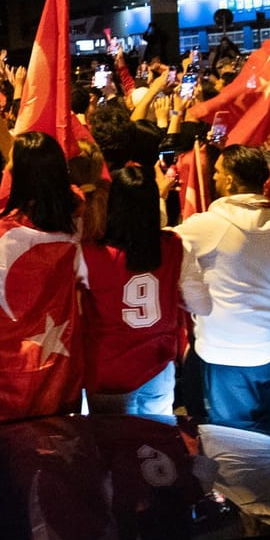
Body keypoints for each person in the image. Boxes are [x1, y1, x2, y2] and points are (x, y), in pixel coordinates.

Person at [175, 145, 270, 439]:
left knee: (235, 442)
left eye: (217, 172)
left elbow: (164, 248)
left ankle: (241, 485)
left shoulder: (205, 226)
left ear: (231, 181)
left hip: (226, 355)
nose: (212, 176)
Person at [80, 164, 200, 421]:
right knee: (158, 446)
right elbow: (196, 302)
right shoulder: (174, 245)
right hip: (158, 365)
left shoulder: (90, 254)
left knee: (113, 451)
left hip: (109, 370)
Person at [0, 130, 83, 424]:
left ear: (21, 176)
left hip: (10, 356)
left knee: (15, 447)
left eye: (11, 162)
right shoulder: (77, 216)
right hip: (59, 353)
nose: (6, 166)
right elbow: (73, 193)